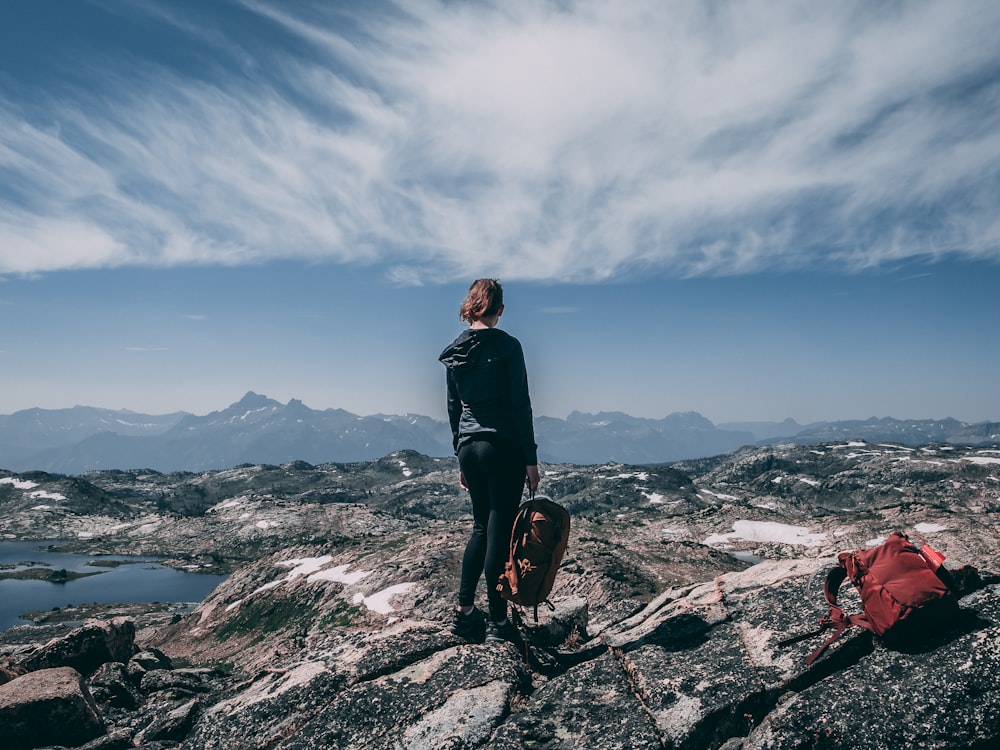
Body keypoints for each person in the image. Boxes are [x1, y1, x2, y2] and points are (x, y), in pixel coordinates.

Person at [439, 278, 540, 643]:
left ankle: (464, 613)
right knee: (500, 528)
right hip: (502, 448)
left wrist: (461, 458)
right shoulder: (509, 347)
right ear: (499, 309)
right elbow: (520, 404)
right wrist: (530, 458)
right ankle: (498, 622)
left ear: (471, 306)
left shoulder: (455, 351)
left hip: (469, 447)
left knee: (480, 528)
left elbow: (453, 408)